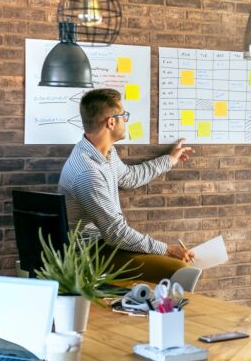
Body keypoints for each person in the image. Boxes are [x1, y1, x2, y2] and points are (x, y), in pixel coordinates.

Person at [58, 88, 195, 282]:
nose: (126, 120)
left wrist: (169, 160)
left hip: (106, 244)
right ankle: (164, 312)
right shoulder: (87, 173)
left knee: (178, 266)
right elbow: (116, 233)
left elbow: (130, 177)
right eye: (124, 116)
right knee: (179, 269)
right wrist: (167, 249)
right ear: (111, 122)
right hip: (91, 254)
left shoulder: (104, 153)